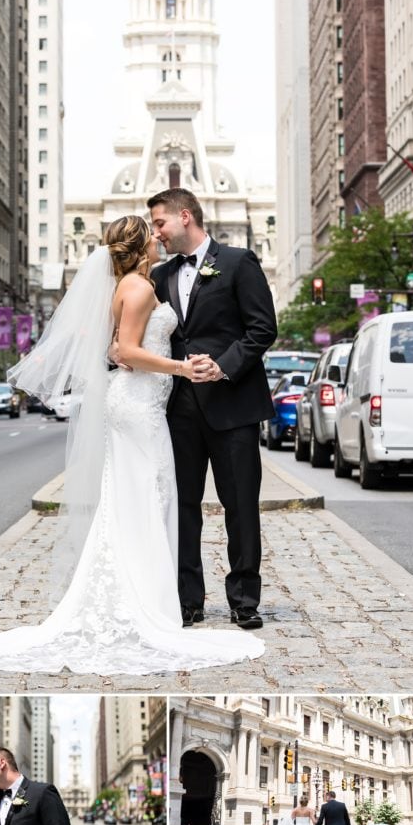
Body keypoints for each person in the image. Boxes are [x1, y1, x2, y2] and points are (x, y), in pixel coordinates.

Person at [0, 216, 264, 674]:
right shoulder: (145, 285)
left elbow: (117, 346)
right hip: (145, 406)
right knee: (155, 498)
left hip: (158, 403)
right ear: (141, 245)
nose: (159, 236)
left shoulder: (143, 280)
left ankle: (160, 593)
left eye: (161, 225)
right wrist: (182, 368)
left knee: (140, 498)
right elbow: (125, 350)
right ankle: (163, 601)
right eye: (152, 232)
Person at [148, 188, 277, 628]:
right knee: (182, 508)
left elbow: (263, 329)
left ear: (185, 217)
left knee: (241, 506)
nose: (156, 233)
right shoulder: (160, 275)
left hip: (233, 407)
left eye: (160, 223)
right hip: (178, 411)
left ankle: (244, 600)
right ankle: (188, 601)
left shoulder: (240, 262)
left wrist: (222, 367)